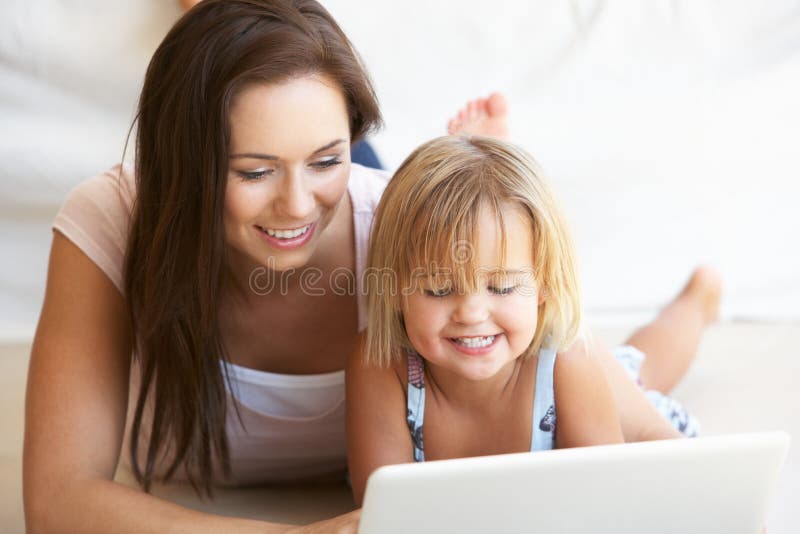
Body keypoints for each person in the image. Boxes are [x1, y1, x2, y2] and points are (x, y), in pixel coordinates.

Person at [23, 1, 718, 532]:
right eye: (254, 170)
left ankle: (697, 297)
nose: (297, 205)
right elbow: (56, 502)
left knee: (627, 372)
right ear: (181, 165)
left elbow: (568, 382)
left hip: (392, 212)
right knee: (246, 56)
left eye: (329, 158)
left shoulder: (397, 230)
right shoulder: (112, 221)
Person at [346, 135, 719, 503]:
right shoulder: (380, 362)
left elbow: (604, 500)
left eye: (503, 287)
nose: (472, 314)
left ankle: (699, 298)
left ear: (544, 284)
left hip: (581, 381)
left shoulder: (569, 363)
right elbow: (380, 510)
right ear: (394, 290)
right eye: (440, 290)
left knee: (640, 375)